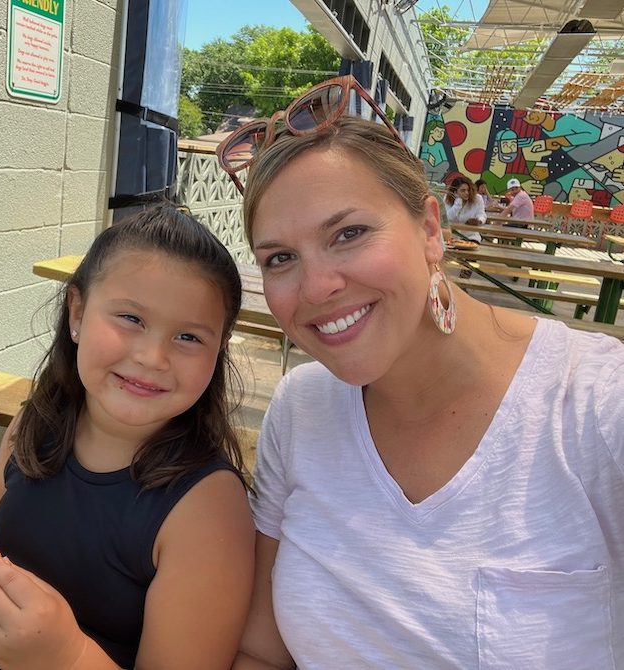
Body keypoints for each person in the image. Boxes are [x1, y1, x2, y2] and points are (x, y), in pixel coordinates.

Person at [216, 106, 624, 668]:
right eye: (280, 258)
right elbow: (262, 652)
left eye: (348, 233)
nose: (315, 287)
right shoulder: (300, 406)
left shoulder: (598, 404)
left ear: (431, 229)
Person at [0, 204, 255, 669]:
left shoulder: (208, 507)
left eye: (189, 337)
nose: (153, 356)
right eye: (131, 318)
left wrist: (65, 656)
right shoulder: (35, 425)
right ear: (78, 311)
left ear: (218, 353)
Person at [443, 175, 486, 242]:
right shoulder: (447, 198)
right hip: (452, 237)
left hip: (471, 237)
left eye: (468, 190)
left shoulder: (478, 198)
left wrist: (479, 221)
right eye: (463, 191)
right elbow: (448, 218)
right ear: (455, 192)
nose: (467, 193)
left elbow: (482, 215)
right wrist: (458, 202)